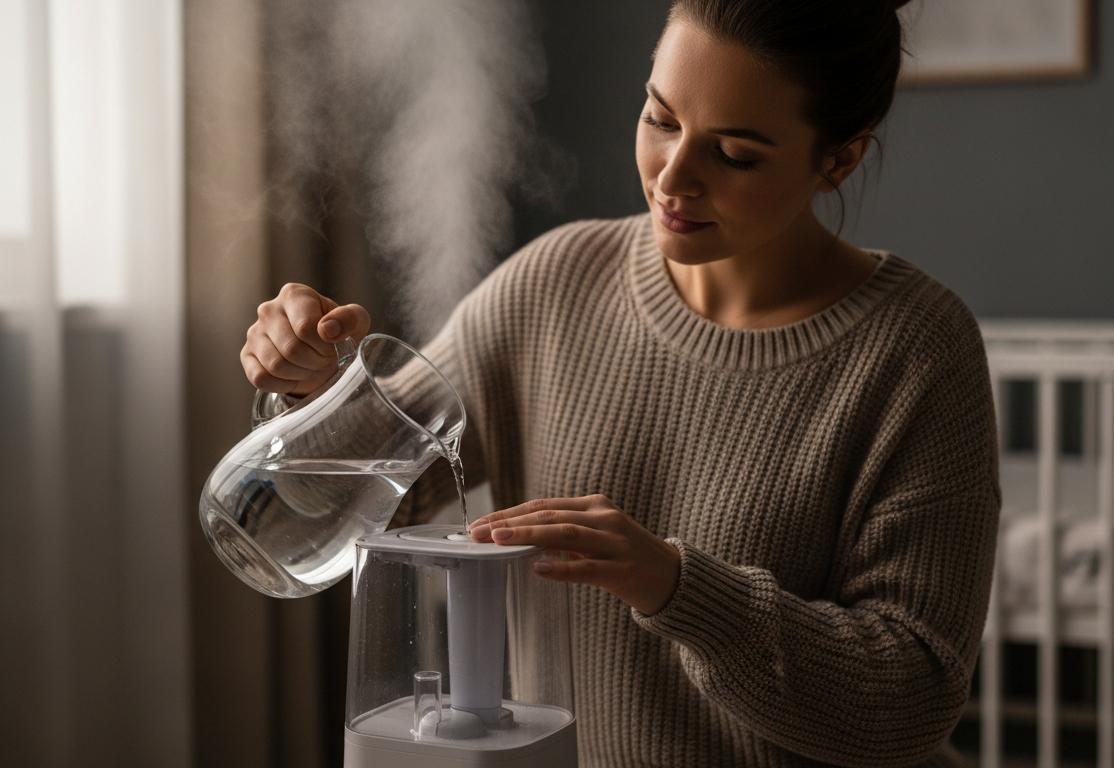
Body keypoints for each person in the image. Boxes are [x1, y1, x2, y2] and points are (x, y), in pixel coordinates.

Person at [239, 0, 1000, 765]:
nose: (673, 177)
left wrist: (676, 587)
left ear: (838, 159)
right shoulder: (551, 283)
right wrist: (309, 389)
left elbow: (911, 697)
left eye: (733, 153)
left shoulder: (917, 348)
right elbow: (315, 507)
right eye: (660, 117)